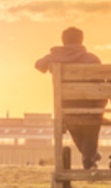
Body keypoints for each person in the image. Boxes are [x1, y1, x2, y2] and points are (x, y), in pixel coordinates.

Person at [35, 27, 103, 169]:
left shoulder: (55, 57)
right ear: (81, 40)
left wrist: (50, 58)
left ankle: (89, 156)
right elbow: (101, 84)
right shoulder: (92, 59)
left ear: (63, 40)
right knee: (92, 122)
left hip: (66, 108)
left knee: (73, 123)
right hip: (90, 108)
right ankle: (89, 156)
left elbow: (38, 65)